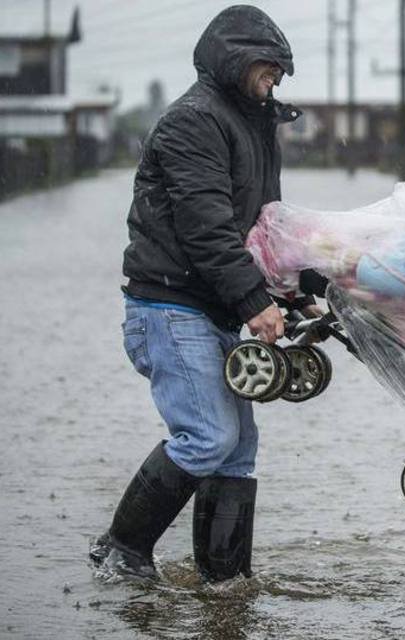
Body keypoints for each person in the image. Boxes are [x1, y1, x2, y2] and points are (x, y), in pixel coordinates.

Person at [90, 5, 317, 582]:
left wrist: (293, 293)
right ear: (236, 59)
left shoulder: (253, 124)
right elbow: (206, 227)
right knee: (207, 436)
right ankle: (121, 552)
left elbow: (262, 229)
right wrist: (254, 304)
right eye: (269, 67)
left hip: (210, 306)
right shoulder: (194, 121)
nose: (278, 78)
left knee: (236, 450)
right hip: (169, 307)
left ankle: (225, 582)